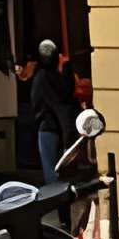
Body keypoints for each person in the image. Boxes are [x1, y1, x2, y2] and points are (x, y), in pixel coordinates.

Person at [30, 38, 79, 184]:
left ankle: (56, 201)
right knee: (59, 171)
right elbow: (67, 96)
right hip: (58, 130)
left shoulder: (41, 78)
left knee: (51, 171)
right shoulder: (55, 78)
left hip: (48, 129)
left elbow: (38, 104)